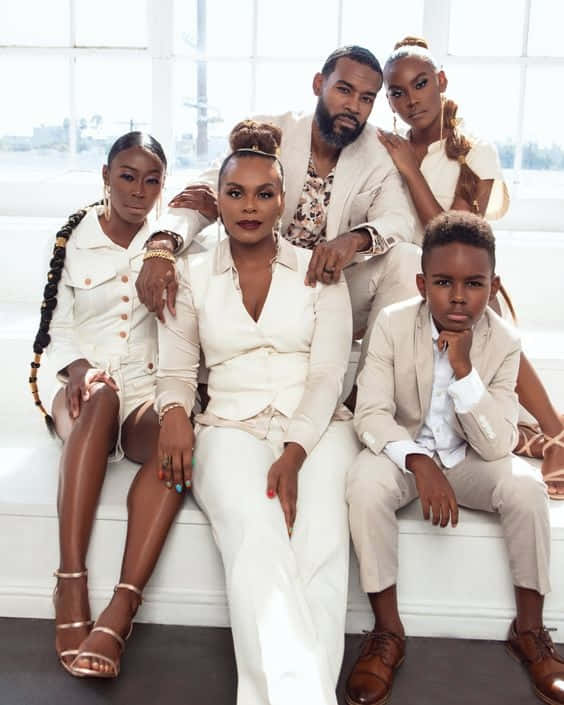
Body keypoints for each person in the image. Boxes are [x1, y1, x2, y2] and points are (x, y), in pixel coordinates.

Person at [155, 120, 361, 705]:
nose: (250, 206)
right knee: (256, 536)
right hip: (228, 428)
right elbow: (175, 371)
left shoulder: (320, 273)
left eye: (264, 193)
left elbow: (328, 375)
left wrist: (295, 451)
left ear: (283, 201)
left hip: (317, 429)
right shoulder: (190, 274)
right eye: (235, 193)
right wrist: (173, 412)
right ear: (216, 201)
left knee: (319, 546)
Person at [344, 212, 562, 705]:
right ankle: (387, 632)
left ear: (493, 285)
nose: (458, 296)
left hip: (468, 460)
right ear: (422, 284)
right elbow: (372, 415)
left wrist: (463, 372)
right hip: (406, 453)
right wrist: (418, 462)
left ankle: (529, 629)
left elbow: (497, 445)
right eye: (443, 282)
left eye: (473, 284)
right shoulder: (393, 325)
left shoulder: (503, 342)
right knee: (364, 483)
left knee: (526, 489)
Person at [137, 45, 420, 373]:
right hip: (255, 284)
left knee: (407, 261)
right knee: (188, 260)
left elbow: (399, 220)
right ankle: (188, 388)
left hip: (330, 290)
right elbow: (201, 194)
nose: (354, 106)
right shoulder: (268, 133)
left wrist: (353, 241)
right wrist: (160, 247)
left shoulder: (378, 153)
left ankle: (368, 391)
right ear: (318, 84)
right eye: (344, 90)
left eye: (366, 98)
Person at [376, 36, 564, 498]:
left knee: (484, 319)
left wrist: (410, 170)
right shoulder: (388, 148)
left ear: (441, 81)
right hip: (407, 280)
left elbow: (451, 234)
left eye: (420, 84)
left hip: (454, 277)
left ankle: (556, 431)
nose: (411, 99)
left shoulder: (473, 152)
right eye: (397, 93)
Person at [30, 132, 185, 678]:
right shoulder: (76, 238)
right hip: (82, 387)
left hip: (143, 388)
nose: (138, 191)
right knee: (100, 397)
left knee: (177, 446)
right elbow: (60, 323)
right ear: (105, 175)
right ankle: (70, 583)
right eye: (127, 176)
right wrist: (76, 367)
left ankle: (122, 608)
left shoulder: (168, 244)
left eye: (151, 180)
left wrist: (175, 409)